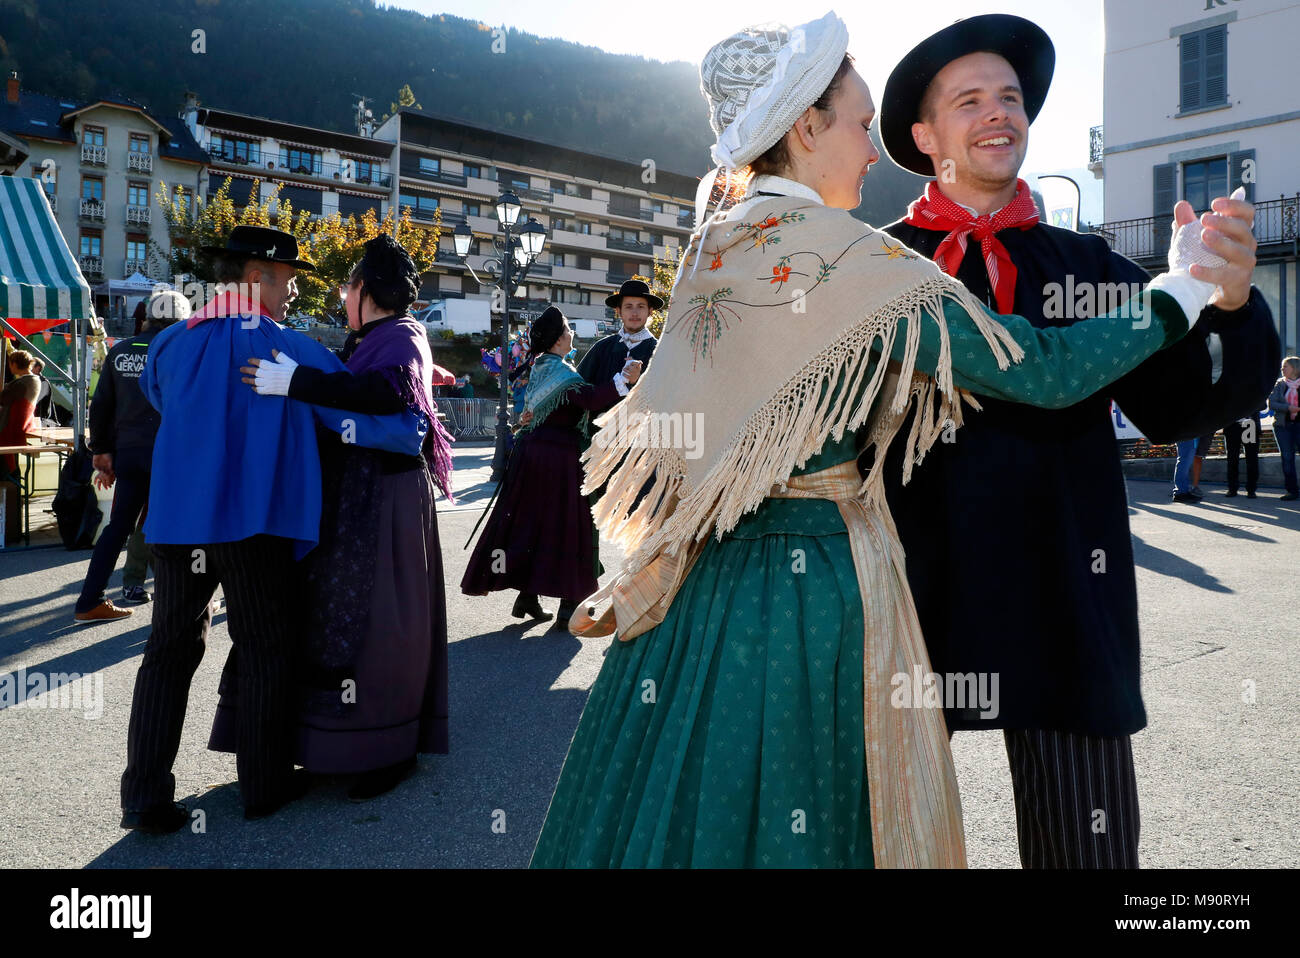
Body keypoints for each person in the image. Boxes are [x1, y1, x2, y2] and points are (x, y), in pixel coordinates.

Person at [530, 12, 1220, 869]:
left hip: (711, 592)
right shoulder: (844, 259)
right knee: (828, 812)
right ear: (807, 128)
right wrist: (1180, 290)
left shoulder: (722, 243)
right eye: (859, 126)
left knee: (708, 804)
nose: (870, 151)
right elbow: (1040, 371)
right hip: (817, 582)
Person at [876, 14, 1279, 867]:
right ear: (924, 134)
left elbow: (1179, 408)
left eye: (1011, 98)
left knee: (1086, 853)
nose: (998, 114)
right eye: (970, 99)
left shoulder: (1089, 265)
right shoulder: (872, 269)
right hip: (905, 599)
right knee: (884, 841)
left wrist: (1236, 304)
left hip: (1063, 596)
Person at [120, 225, 410, 831]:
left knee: (168, 653)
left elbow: (162, 402)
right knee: (264, 649)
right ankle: (263, 785)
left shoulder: (169, 344)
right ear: (257, 277)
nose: (294, 295)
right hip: (257, 523)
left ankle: (145, 796)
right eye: (289, 282)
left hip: (176, 524)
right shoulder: (294, 350)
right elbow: (350, 407)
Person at [209, 233, 454, 801]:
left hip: (387, 498)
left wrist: (296, 381)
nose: (343, 294)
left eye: (348, 284)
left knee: (383, 624)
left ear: (364, 288)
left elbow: (384, 395)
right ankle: (330, 745)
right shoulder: (374, 335)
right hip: (359, 497)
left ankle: (386, 750)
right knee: (344, 621)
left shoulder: (402, 335)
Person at [462, 306, 640, 630]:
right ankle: (569, 606)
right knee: (570, 529)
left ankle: (528, 596)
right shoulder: (561, 372)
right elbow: (590, 399)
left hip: (532, 458)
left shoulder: (542, 367)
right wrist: (623, 379)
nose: (572, 332)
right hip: (559, 460)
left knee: (535, 526)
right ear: (559, 339)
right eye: (569, 328)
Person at [73, 291, 190, 622]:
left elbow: (101, 405)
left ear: (147, 318)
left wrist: (102, 451)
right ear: (181, 323)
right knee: (172, 528)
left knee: (119, 526)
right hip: (169, 455)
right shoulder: (179, 351)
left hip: (128, 453)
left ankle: (89, 601)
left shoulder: (120, 350)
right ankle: (177, 608)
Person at [577, 279, 659, 395]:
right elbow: (577, 389)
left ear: (650, 311)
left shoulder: (659, 352)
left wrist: (638, 381)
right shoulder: (602, 348)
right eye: (628, 307)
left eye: (640, 306)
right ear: (619, 311)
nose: (634, 313)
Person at [1268, 356, 1300, 500]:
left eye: (1285, 367)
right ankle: (1291, 491)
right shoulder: (1279, 385)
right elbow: (1272, 404)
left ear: (1294, 368)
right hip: (1283, 427)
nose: (1282, 369)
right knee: (1287, 458)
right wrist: (1288, 408)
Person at [1223, 411, 1261, 498]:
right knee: (1232, 459)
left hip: (1249, 425)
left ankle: (1251, 489)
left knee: (1252, 460)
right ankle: (1232, 488)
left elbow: (1262, 405)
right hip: (1232, 426)